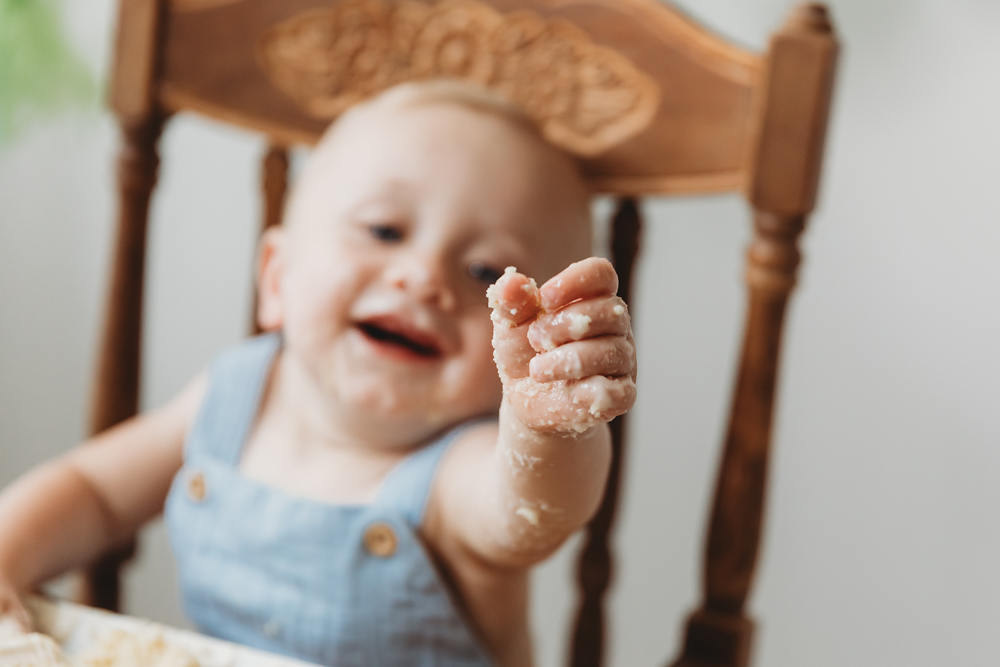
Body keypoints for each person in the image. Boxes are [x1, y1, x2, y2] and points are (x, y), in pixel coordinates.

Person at [0, 81, 636, 667]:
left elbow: (535, 511)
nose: (423, 278)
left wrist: (546, 428)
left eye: (484, 273)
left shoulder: (459, 470)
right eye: (385, 230)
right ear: (277, 279)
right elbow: (94, 492)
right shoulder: (234, 395)